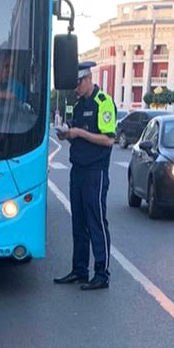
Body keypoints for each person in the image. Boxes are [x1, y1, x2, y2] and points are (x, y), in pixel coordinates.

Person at [53, 61, 117, 291]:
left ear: (88, 78)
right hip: (78, 169)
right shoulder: (78, 105)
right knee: (78, 222)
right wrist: (68, 135)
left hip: (95, 172)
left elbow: (109, 139)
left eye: (78, 84)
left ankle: (102, 273)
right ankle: (80, 270)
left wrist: (79, 132)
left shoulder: (103, 102)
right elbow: (76, 133)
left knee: (96, 222)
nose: (75, 89)